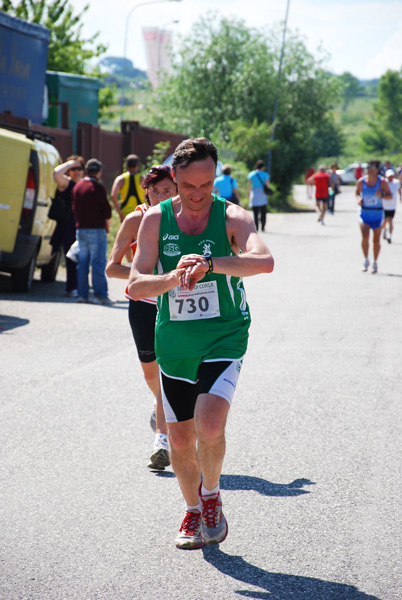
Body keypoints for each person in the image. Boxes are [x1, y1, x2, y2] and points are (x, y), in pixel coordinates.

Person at [128, 138, 274, 550]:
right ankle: (193, 508)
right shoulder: (155, 221)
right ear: (173, 177)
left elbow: (263, 261)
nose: (197, 195)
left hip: (224, 334)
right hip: (174, 341)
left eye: (206, 184)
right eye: (189, 185)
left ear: (216, 178)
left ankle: (211, 496)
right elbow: (136, 285)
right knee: (178, 440)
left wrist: (209, 265)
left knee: (210, 423)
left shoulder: (232, 215)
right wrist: (175, 277)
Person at [106, 165, 177, 470]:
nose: (160, 195)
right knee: (152, 376)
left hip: (175, 305)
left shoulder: (184, 219)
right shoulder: (136, 219)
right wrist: (146, 277)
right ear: (146, 190)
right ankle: (159, 404)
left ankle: (162, 441)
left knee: (166, 375)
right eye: (155, 190)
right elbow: (112, 267)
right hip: (143, 306)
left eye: (167, 190)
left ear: (176, 191)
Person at [72, 158, 113, 304]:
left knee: (82, 263)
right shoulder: (98, 188)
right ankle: (100, 295)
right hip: (96, 230)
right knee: (98, 263)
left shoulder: (77, 187)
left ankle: (82, 295)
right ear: (99, 172)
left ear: (86, 170)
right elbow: (107, 211)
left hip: (81, 230)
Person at [51, 155, 85, 297]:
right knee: (71, 258)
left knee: (83, 259)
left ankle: (81, 288)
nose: (76, 171)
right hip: (68, 226)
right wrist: (70, 162)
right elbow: (56, 173)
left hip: (84, 226)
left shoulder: (85, 184)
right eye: (73, 169)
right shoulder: (65, 183)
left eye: (79, 168)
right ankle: (71, 288)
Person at [356, 159, 392, 274]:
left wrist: (381, 195)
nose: (369, 170)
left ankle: (375, 262)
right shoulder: (361, 182)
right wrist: (359, 199)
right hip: (365, 213)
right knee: (365, 237)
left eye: (371, 168)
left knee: (376, 240)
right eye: (368, 167)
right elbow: (357, 192)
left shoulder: (382, 182)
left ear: (376, 169)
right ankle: (366, 259)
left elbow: (389, 196)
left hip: (377, 213)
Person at [111, 154, 146, 223]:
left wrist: (120, 213)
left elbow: (113, 195)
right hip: (140, 213)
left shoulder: (121, 179)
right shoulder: (142, 178)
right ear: (138, 166)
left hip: (126, 215)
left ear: (126, 165)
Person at [247, 160, 270, 231]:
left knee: (255, 212)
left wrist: (249, 194)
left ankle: (256, 227)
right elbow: (267, 185)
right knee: (263, 212)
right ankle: (263, 227)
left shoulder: (251, 174)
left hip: (254, 193)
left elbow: (249, 186)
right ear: (263, 167)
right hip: (262, 193)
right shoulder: (265, 175)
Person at [382, 169, 401, 244]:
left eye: (392, 176)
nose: (390, 177)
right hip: (384, 205)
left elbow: (399, 190)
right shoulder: (384, 182)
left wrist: (400, 196)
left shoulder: (396, 182)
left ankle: (390, 235)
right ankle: (384, 230)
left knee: (390, 221)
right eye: (389, 176)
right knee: (384, 221)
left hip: (392, 206)